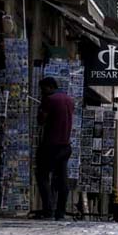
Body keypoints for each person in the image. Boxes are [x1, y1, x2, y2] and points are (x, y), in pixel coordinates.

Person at [35, 77, 75, 220]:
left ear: (50, 87)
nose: (42, 92)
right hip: (65, 145)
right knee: (62, 179)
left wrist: (41, 108)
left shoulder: (49, 100)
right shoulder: (69, 100)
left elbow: (41, 120)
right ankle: (60, 211)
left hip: (51, 145)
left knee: (42, 175)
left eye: (43, 89)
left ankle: (48, 209)